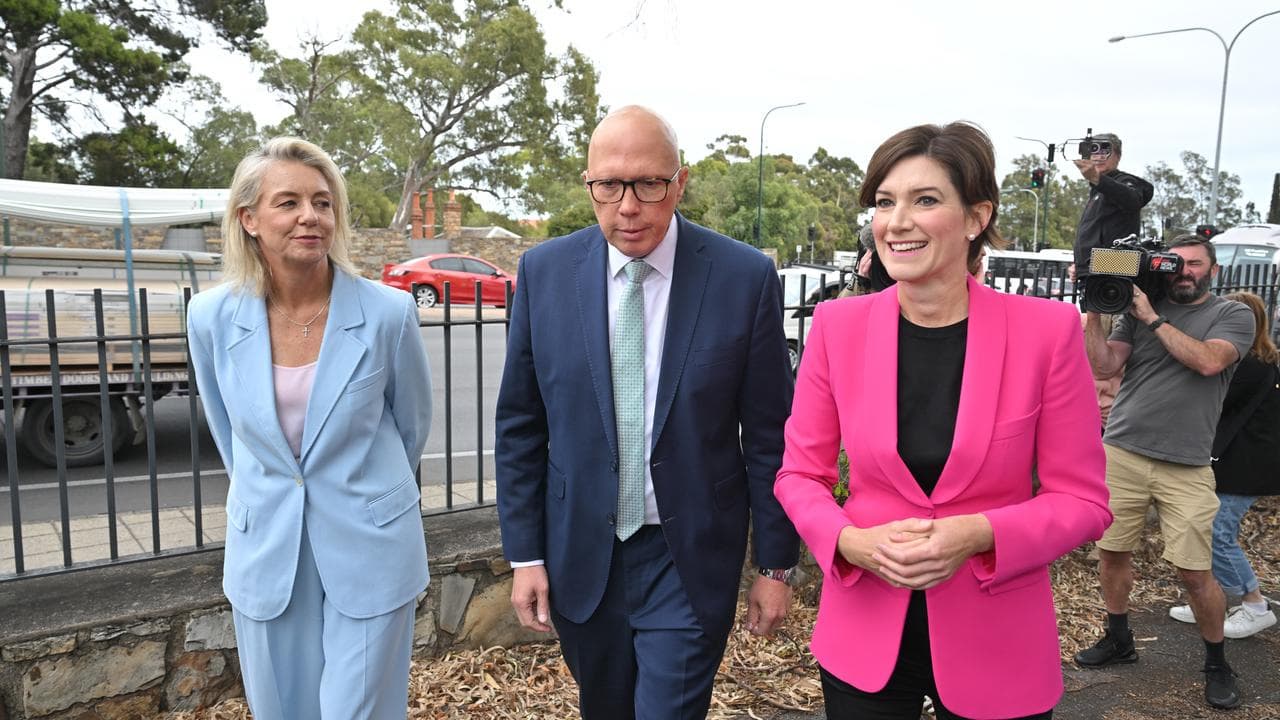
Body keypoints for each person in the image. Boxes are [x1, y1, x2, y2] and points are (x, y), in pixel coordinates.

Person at [774, 121, 1112, 720]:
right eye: (885, 203)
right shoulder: (836, 328)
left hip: (998, 637)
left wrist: (978, 534)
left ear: (977, 217)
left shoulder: (1046, 333)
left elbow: (1083, 502)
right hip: (864, 631)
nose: (897, 222)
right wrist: (849, 542)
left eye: (925, 200)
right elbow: (799, 475)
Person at [494, 105, 799, 719]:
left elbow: (771, 435)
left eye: (648, 184)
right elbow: (521, 426)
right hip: (583, 554)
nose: (628, 206)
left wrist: (775, 565)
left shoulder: (742, 278)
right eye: (608, 185)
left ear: (680, 182)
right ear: (589, 183)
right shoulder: (544, 273)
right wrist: (525, 556)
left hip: (689, 557)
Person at [187, 137, 432, 720]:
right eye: (288, 202)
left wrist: (362, 490)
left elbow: (411, 426)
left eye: (322, 203)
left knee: (359, 711)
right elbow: (230, 432)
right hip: (268, 546)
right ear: (248, 219)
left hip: (371, 544)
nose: (310, 216)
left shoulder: (388, 313)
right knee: (282, 709)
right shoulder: (210, 317)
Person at [1076, 235, 1255, 710]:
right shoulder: (1138, 310)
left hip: (1187, 463)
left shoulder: (1233, 315)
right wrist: (1095, 308)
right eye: (1177, 263)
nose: (1184, 271)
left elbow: (1209, 361)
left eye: (1195, 264)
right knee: (1112, 553)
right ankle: (1119, 639)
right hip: (1123, 451)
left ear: (1213, 271)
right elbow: (1103, 366)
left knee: (1195, 571)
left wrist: (1152, 318)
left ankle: (1216, 663)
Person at [1168, 291, 1278, 637]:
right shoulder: (1252, 362)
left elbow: (1209, 401)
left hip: (1245, 466)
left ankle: (1255, 605)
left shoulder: (1251, 366)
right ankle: (1209, 600)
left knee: (1218, 533)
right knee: (1206, 530)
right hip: (1235, 461)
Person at [1071, 133, 1153, 278]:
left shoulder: (1125, 181)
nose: (1098, 157)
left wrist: (1097, 179)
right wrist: (1080, 267)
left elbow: (1132, 199)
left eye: (1105, 151)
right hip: (1094, 274)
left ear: (1118, 156)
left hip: (1114, 274)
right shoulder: (1097, 191)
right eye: (1093, 151)